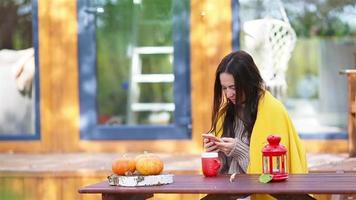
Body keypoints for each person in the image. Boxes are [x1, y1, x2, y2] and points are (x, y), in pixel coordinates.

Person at [202, 50, 309, 200]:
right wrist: (214, 153)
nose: (228, 94)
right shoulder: (225, 114)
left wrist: (238, 150)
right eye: (224, 88)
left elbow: (268, 178)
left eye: (233, 87)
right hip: (231, 194)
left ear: (249, 82)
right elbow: (222, 174)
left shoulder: (272, 110)